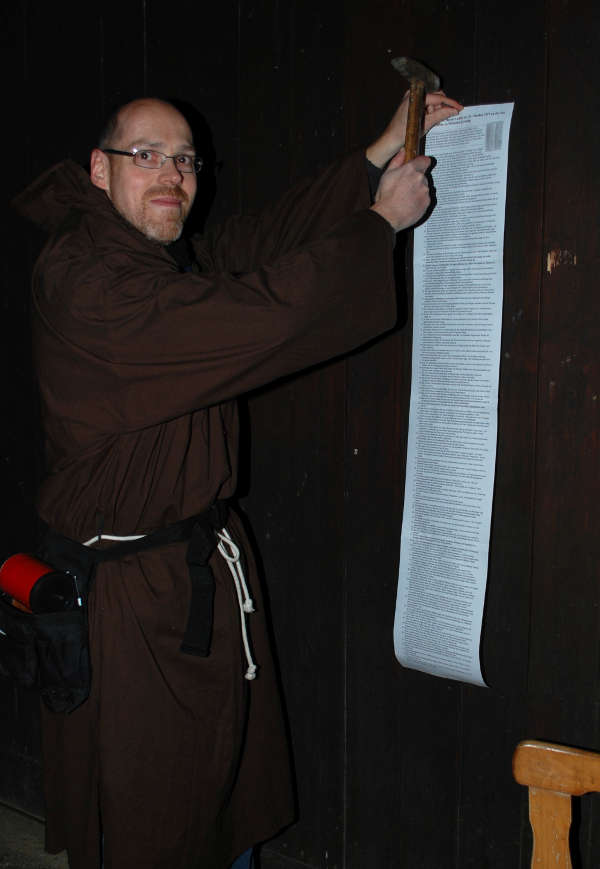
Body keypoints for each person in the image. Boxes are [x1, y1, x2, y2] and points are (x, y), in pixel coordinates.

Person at [13, 89, 461, 869]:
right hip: (133, 613)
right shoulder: (92, 282)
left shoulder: (143, 255)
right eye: (146, 155)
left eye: (184, 159)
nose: (172, 175)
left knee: (219, 804)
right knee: (157, 824)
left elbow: (255, 247)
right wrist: (379, 224)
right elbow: (252, 312)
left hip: (188, 584)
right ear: (97, 169)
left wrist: (374, 154)